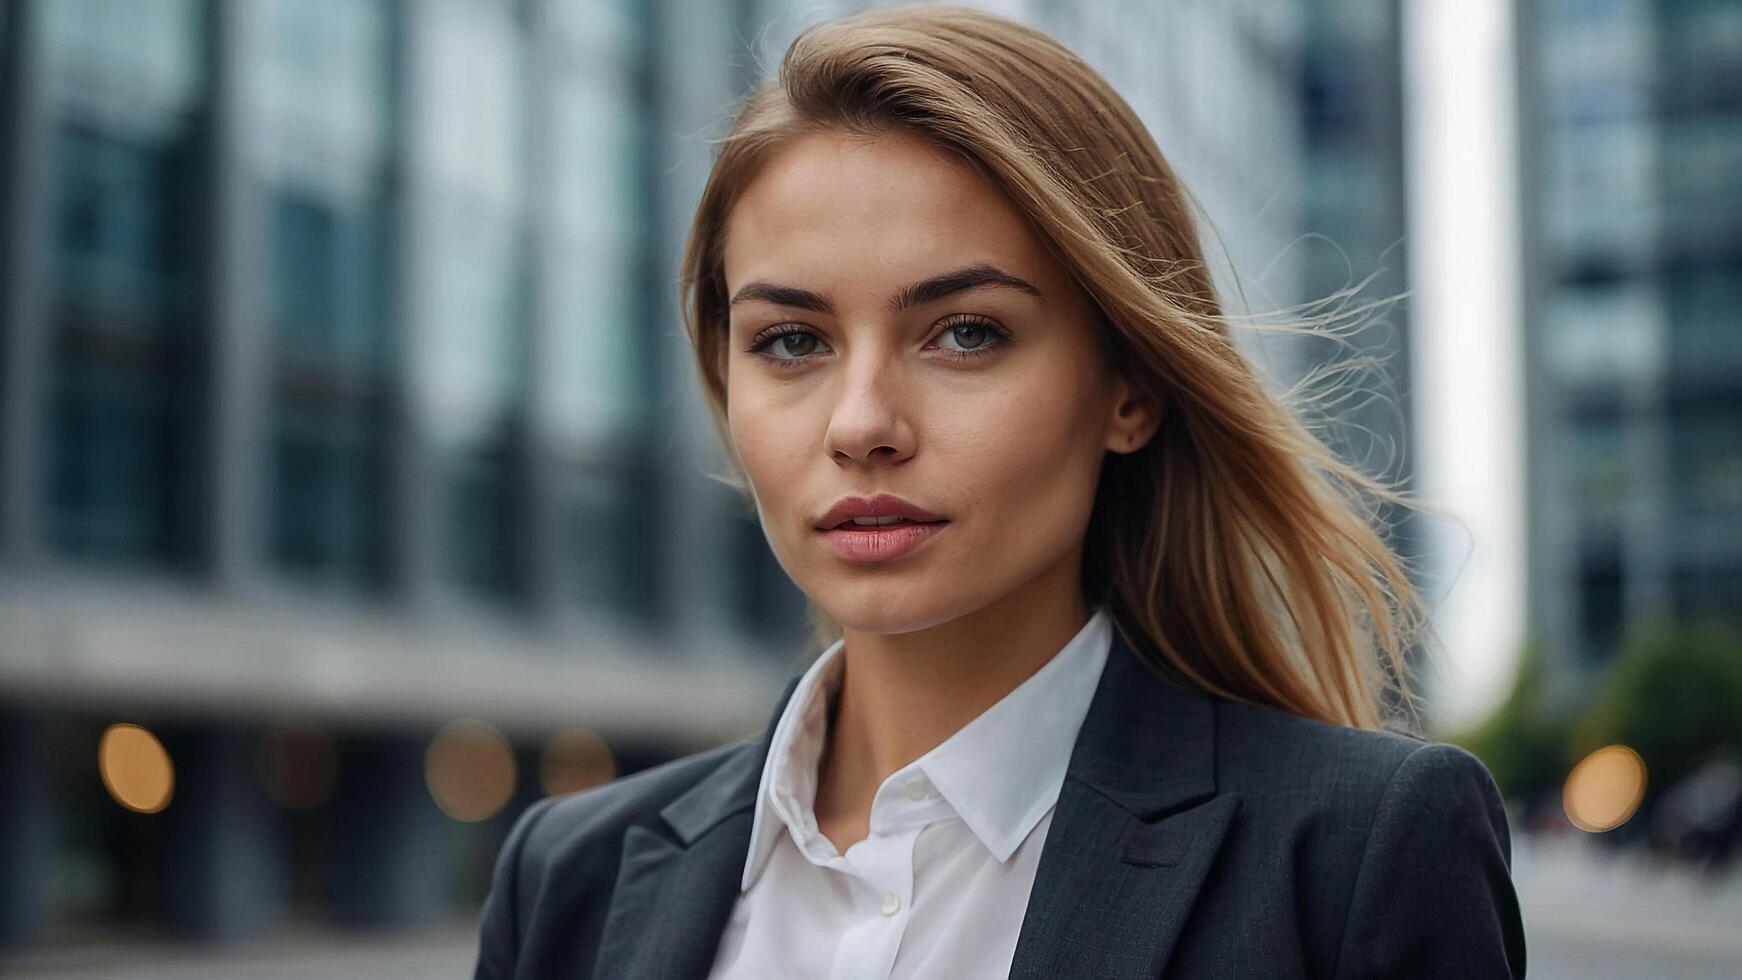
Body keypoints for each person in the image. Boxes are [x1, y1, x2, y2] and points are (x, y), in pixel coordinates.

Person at [472, 5, 1527, 978]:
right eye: (791, 341)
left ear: (1130, 386)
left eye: (965, 331)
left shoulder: (1356, 852)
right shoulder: (568, 877)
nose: (860, 425)